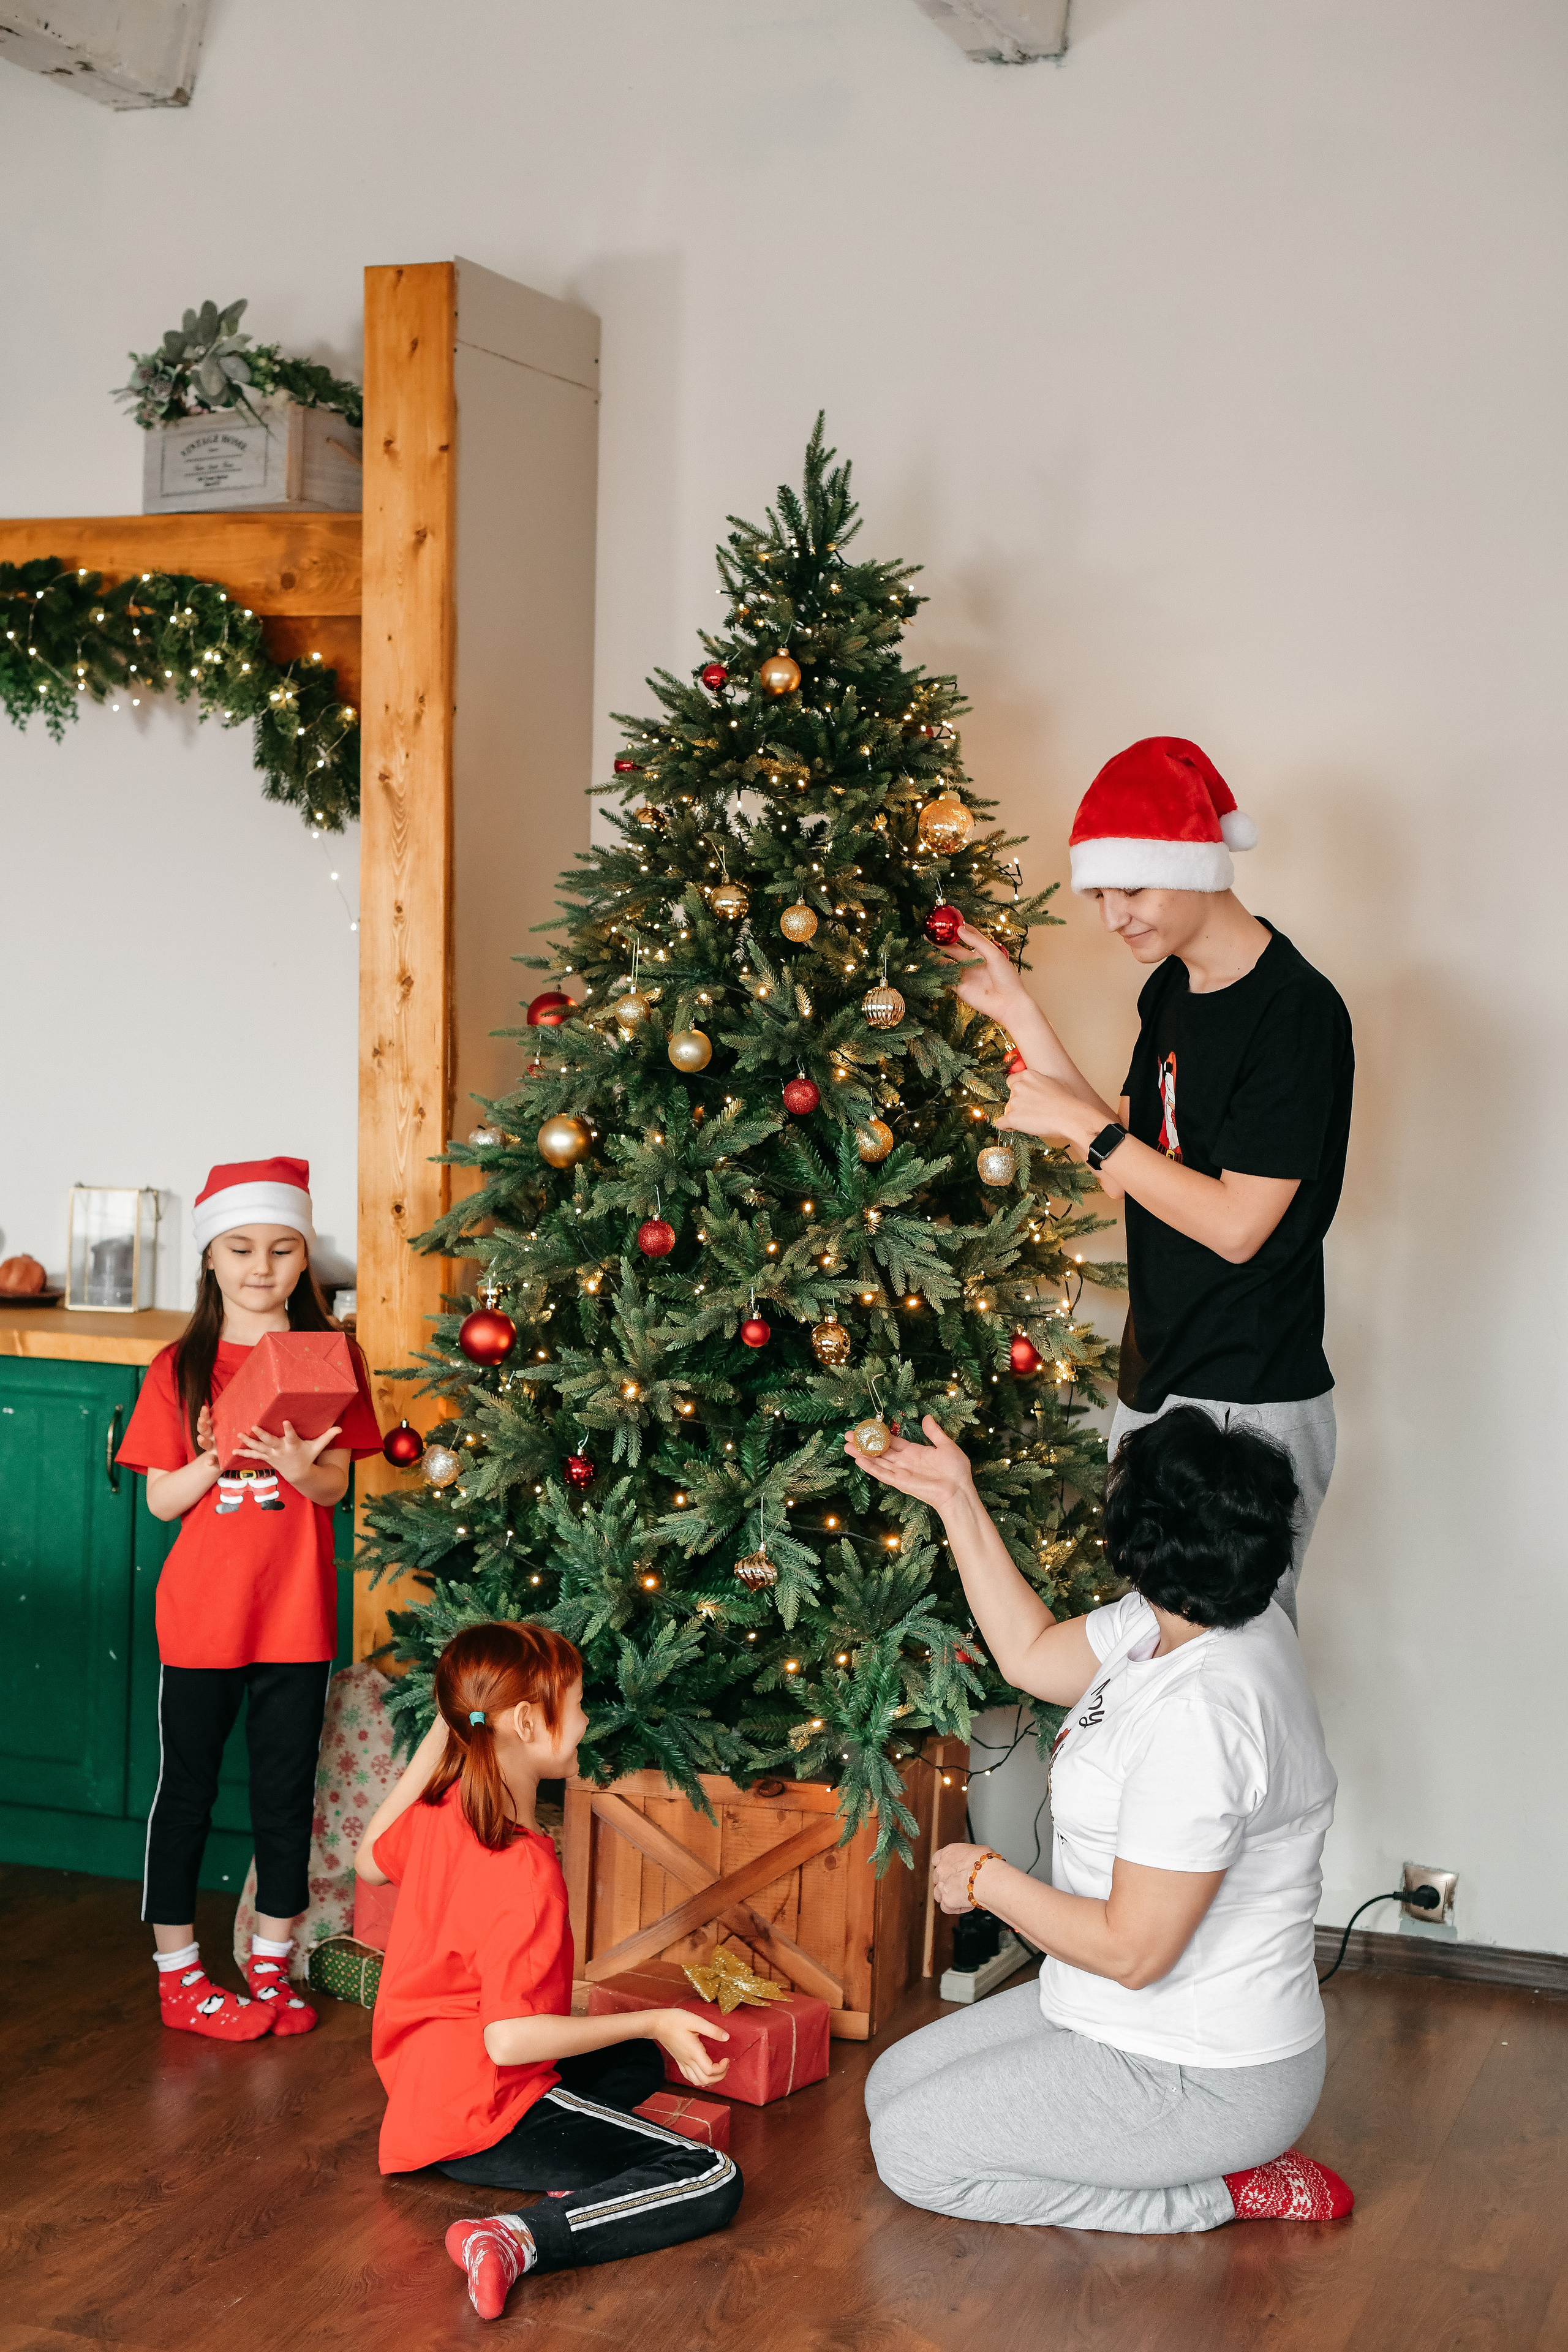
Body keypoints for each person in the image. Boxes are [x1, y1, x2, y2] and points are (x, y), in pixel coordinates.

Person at [850, 1404, 1351, 2234]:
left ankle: (1222, 2190)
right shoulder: (1189, 1614)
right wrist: (956, 1499)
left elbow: (1133, 1950)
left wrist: (987, 1879)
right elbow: (1033, 1653)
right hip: (1109, 2014)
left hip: (1200, 2068)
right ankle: (1201, 2165)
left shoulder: (1206, 1715)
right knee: (890, 2091)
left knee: (914, 2151)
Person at [947, 736, 1354, 1623]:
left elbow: (1239, 1224)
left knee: (1226, 1675)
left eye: (1131, 888)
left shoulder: (1294, 1014)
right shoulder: (1171, 990)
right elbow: (1135, 1156)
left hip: (1248, 1402)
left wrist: (1088, 1136)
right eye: (1100, 893)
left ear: (1196, 864)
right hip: (1158, 1380)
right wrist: (1018, 1010)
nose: (1113, 917)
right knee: (1153, 1664)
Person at [356, 1621, 743, 2322]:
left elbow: (367, 1860)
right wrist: (656, 2013)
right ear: (529, 1722)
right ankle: (514, 2238)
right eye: (579, 1702)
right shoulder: (523, 1868)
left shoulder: (440, 1814)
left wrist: (450, 1728)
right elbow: (506, 2040)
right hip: (483, 2112)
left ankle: (568, 2172)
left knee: (634, 2060)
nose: (589, 1718)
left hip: (421, 2091)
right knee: (710, 2176)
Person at [115, 1156, 384, 2040]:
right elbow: (159, 1500)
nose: (260, 1267)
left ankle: (272, 1962)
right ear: (210, 1258)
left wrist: (303, 1466)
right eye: (241, 1249)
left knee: (285, 1795)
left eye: (280, 1249)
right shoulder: (178, 1363)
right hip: (201, 1618)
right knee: (186, 1790)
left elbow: (336, 1487)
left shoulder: (333, 1357)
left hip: (296, 1616)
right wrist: (215, 1456)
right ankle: (179, 1976)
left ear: (305, 1259)